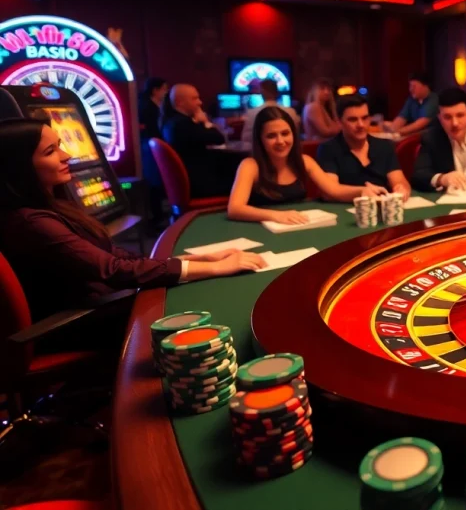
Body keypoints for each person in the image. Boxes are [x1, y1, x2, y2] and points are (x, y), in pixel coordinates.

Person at [0, 119, 266, 350]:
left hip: (99, 302)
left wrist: (204, 259)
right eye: (50, 151)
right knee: (203, 307)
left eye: (59, 144)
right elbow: (114, 270)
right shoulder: (31, 222)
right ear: (19, 167)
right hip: (78, 322)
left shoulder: (51, 206)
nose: (66, 154)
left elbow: (112, 254)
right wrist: (217, 269)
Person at [227, 107, 381, 222]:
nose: (280, 141)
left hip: (297, 226)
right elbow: (235, 209)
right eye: (271, 136)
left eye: (285, 133)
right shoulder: (250, 166)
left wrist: (364, 190)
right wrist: (275, 215)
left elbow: (335, 190)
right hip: (262, 232)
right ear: (260, 139)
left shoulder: (304, 161)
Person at [316, 94, 411, 202]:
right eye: (353, 120)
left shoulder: (384, 146)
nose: (361, 125)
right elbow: (329, 192)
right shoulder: (328, 149)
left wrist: (401, 188)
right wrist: (362, 191)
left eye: (365, 118)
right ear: (339, 122)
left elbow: (399, 181)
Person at [160, 84, 232, 198]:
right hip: (200, 185)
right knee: (249, 185)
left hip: (194, 181)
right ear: (179, 102)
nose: (200, 102)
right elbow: (218, 138)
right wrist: (205, 122)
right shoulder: (182, 125)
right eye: (194, 98)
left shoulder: (171, 122)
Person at [137, 77, 169, 228]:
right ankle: (155, 219)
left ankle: (158, 217)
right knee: (153, 182)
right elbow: (148, 129)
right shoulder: (146, 106)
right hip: (148, 147)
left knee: (156, 182)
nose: (166, 92)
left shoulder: (154, 105)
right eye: (164, 89)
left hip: (151, 145)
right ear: (155, 90)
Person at [242, 78, 300, 146]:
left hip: (257, 154)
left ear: (262, 92)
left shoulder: (251, 113)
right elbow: (296, 136)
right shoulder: (291, 112)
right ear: (277, 92)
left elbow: (245, 139)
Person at [382, 72, 438, 136]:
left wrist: (397, 132)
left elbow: (420, 124)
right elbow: (401, 118)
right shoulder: (411, 100)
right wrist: (391, 130)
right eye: (410, 86)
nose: (411, 89)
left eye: (414, 86)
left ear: (425, 86)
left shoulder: (433, 100)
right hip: (415, 136)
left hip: (430, 139)